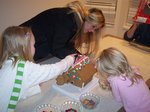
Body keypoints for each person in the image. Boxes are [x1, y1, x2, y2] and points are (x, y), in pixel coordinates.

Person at [0, 26, 75, 112]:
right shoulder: (25, 68)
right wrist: (70, 59)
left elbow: (15, 89)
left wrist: (34, 87)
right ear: (26, 47)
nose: (35, 48)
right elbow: (54, 70)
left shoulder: (8, 64)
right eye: (33, 45)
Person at [20, 0, 105, 61]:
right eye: (93, 26)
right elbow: (58, 49)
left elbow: (67, 45)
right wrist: (81, 59)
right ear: (87, 19)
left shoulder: (73, 20)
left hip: (27, 45)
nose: (92, 31)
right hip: (19, 44)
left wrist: (81, 57)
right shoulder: (67, 20)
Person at [96, 47, 150, 112]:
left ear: (107, 71)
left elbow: (118, 99)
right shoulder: (133, 69)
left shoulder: (115, 81)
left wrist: (110, 87)